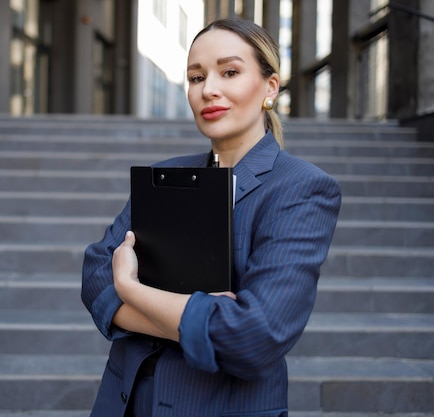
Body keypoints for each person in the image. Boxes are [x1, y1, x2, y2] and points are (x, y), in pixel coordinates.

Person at [81, 17, 341, 417]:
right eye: (196, 77)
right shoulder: (165, 176)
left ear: (270, 88)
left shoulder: (302, 187)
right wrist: (197, 316)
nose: (209, 90)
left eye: (230, 72)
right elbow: (97, 273)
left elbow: (255, 336)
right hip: (126, 403)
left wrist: (133, 291)